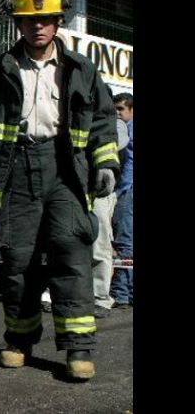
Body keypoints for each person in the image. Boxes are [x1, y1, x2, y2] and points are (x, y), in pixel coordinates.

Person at [0, 0, 120, 381]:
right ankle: (18, 340)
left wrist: (106, 164)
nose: (37, 27)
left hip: (66, 172)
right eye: (28, 20)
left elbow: (102, 121)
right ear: (18, 24)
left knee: (71, 256)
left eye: (45, 20)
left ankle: (78, 349)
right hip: (16, 170)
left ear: (58, 22)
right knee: (18, 261)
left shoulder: (82, 69)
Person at [92, 115, 129, 318]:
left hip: (99, 190)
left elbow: (119, 143)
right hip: (73, 188)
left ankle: (100, 298)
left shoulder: (113, 123)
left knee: (100, 244)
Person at [110, 93, 133, 309]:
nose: (117, 114)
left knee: (124, 242)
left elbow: (128, 164)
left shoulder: (127, 130)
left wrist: (120, 192)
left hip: (128, 189)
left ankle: (121, 293)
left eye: (120, 109)